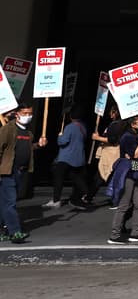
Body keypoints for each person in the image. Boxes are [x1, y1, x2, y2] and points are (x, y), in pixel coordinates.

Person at [0, 101, 44, 243]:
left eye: (30, 113)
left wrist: (38, 145)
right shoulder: (8, 129)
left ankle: (3, 230)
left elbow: (28, 148)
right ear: (17, 114)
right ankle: (15, 232)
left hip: (20, 171)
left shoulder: (28, 132)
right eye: (25, 113)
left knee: (5, 202)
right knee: (10, 202)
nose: (28, 116)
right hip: (7, 171)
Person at [107, 116, 138, 244]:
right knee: (124, 203)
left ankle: (136, 232)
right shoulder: (128, 137)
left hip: (135, 169)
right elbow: (136, 155)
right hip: (128, 172)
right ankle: (115, 235)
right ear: (132, 122)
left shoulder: (134, 135)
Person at [48, 105, 91, 210]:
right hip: (77, 157)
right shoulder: (83, 127)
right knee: (75, 176)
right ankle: (85, 193)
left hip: (66, 157)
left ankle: (56, 200)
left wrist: (60, 136)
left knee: (59, 178)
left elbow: (62, 142)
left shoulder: (70, 127)